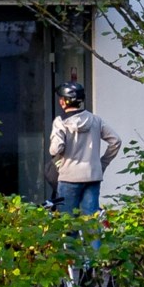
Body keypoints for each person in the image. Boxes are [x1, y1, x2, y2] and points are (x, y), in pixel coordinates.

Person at [49, 82, 118, 214]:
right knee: (91, 222)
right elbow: (116, 141)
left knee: (67, 222)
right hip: (92, 175)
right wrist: (102, 163)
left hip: (69, 177)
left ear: (63, 102)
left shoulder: (60, 121)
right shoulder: (96, 120)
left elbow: (55, 149)